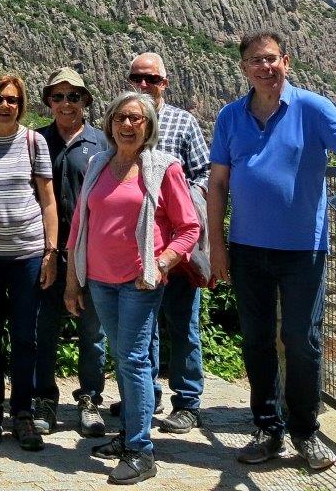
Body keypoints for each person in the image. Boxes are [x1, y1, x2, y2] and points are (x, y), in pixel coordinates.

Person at [208, 30, 336, 471]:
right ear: (244, 68)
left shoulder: (312, 107)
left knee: (302, 340)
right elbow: (218, 184)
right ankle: (267, 429)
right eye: (256, 61)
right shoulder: (229, 116)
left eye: (272, 59)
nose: (265, 67)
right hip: (246, 248)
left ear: (286, 61)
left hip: (303, 249)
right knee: (257, 341)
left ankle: (305, 432)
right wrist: (216, 245)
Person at [65, 92, 200, 485]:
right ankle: (129, 435)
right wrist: (73, 281)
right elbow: (80, 225)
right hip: (101, 280)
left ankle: (141, 451)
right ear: (110, 123)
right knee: (123, 358)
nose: (127, 125)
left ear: (149, 126)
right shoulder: (98, 163)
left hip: (141, 281)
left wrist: (161, 264)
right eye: (120, 117)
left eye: (136, 119)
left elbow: (188, 227)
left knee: (134, 359)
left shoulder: (163, 168)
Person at [0, 72, 58, 450]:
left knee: (25, 336)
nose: (5, 105)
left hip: (27, 255)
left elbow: (48, 201)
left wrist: (51, 252)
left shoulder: (34, 142)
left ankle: (22, 412)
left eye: (13, 100)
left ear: (22, 106)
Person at [126, 52, 210, 434]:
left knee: (182, 323)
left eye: (152, 79)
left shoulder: (183, 122)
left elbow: (204, 172)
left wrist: (182, 202)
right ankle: (148, 395)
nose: (144, 85)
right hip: (136, 245)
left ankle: (188, 402)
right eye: (137, 78)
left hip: (177, 246)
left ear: (165, 83)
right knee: (144, 326)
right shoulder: (124, 121)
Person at [34, 66, 109, 440]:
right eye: (59, 96)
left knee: (92, 331)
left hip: (92, 254)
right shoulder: (35, 141)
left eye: (74, 96)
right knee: (43, 328)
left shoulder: (104, 144)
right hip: (45, 251)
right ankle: (44, 399)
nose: (67, 103)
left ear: (86, 101)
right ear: (49, 101)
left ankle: (90, 399)